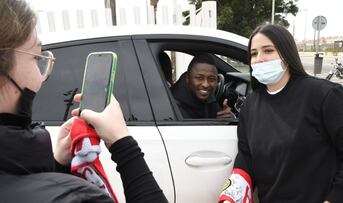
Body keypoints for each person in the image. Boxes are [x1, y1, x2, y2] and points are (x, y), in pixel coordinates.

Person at [0, 0, 167, 202]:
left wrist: (57, 165)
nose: (42, 76)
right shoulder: (79, 198)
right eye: (37, 57)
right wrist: (123, 143)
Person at [218, 24, 343, 203]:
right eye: (253, 54)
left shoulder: (323, 95)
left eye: (268, 50)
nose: (259, 59)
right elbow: (246, 157)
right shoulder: (251, 105)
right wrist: (232, 195)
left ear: (287, 54)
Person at [171, 54, 234, 119]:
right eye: (199, 78)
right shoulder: (174, 106)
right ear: (187, 78)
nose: (205, 85)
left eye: (211, 79)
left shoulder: (208, 97)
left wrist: (230, 117)